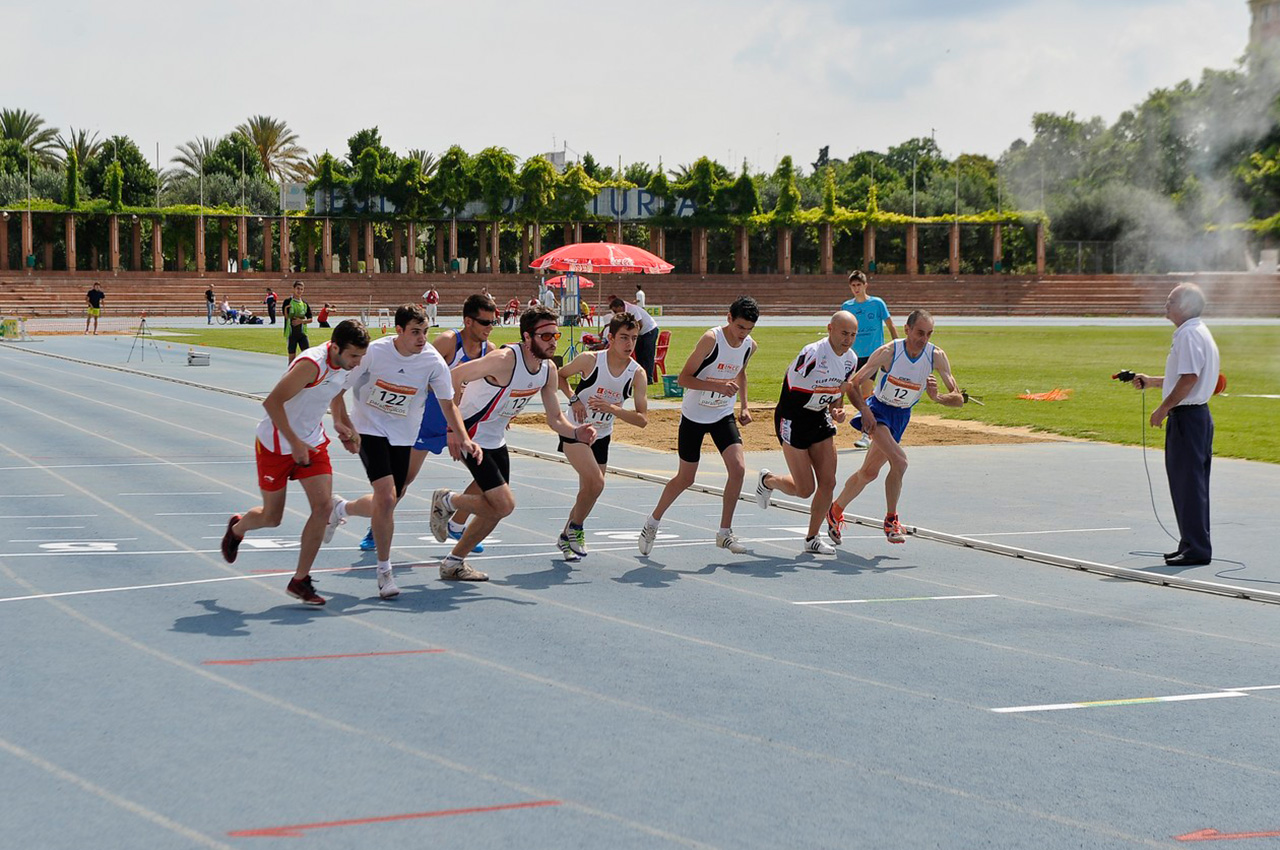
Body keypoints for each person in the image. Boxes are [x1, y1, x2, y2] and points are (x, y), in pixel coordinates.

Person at [431, 305, 597, 580]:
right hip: (471, 434)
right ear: (527, 337)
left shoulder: (548, 370)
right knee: (504, 505)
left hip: (495, 438)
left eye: (555, 335)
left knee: (494, 511)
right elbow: (454, 376)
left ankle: (453, 562)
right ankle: (447, 500)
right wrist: (453, 428)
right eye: (545, 336)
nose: (553, 341)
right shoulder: (505, 359)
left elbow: (555, 418)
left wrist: (576, 433)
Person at [329, 304, 482, 598]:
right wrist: (342, 422)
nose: (422, 338)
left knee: (388, 499)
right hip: (369, 429)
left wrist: (463, 438)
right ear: (398, 331)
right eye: (415, 332)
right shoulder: (374, 352)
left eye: (425, 332)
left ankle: (340, 509)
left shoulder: (433, 362)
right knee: (387, 497)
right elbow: (339, 388)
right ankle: (385, 572)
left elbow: (448, 404)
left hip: (403, 434)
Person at [220, 320, 371, 606]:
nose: (357, 362)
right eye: (353, 356)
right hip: (276, 444)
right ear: (335, 347)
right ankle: (238, 528)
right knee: (272, 517)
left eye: (361, 357)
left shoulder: (345, 365)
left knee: (324, 507)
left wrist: (343, 424)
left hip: (312, 442)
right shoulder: (310, 364)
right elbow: (272, 403)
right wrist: (294, 442)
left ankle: (300, 579)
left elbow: (336, 392)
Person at [352, 292, 499, 553]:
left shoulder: (491, 351)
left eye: (493, 323)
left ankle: (456, 524)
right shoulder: (447, 343)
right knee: (401, 483)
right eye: (485, 322)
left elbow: (494, 386)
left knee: (489, 474)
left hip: (463, 422)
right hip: (429, 422)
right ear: (468, 321)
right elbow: (422, 376)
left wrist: (498, 413)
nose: (490, 328)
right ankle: (376, 527)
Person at [826, 310, 966, 547]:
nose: (924, 339)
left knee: (868, 473)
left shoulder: (936, 356)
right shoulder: (889, 352)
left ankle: (834, 510)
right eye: (920, 333)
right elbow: (854, 383)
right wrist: (863, 411)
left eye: (929, 334)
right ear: (907, 330)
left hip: (901, 416)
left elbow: (959, 398)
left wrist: (938, 397)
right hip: (879, 411)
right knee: (900, 462)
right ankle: (891, 521)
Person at [638, 296, 759, 557]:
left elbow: (741, 372)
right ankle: (652, 522)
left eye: (749, 330)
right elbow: (683, 378)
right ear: (729, 318)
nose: (742, 335)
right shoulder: (711, 340)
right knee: (686, 478)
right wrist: (717, 386)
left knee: (738, 469)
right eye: (740, 328)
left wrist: (744, 406)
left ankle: (724, 533)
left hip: (722, 413)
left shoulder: (750, 346)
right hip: (694, 415)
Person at [755, 311, 873, 555]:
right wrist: (829, 394)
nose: (848, 339)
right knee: (805, 489)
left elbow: (838, 391)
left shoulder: (850, 359)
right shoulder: (812, 354)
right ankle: (768, 480)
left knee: (829, 482)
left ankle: (811, 538)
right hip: (793, 417)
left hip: (819, 417)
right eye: (843, 333)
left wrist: (836, 409)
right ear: (830, 328)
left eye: (853, 335)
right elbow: (795, 389)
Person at [1132, 283, 1220, 567]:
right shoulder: (1194, 331)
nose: (1165, 305)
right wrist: (1152, 381)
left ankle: (1196, 547)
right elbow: (1183, 376)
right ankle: (1190, 542)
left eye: (1171, 300)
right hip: (1195, 416)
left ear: (1185, 306)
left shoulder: (1189, 335)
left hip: (1189, 417)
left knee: (1188, 484)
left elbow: (1189, 379)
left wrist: (1163, 408)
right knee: (1187, 484)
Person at [555, 312, 649, 561]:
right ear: (610, 338)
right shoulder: (589, 360)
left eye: (634, 338)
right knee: (596, 483)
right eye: (624, 337)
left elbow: (642, 420)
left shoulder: (637, 374)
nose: (629, 344)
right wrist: (574, 399)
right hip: (575, 429)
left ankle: (566, 536)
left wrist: (613, 409)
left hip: (602, 435)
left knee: (589, 490)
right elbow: (559, 375)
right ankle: (576, 529)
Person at [840, 270, 898, 449]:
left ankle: (867, 433)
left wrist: (896, 346)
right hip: (852, 355)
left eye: (859, 285)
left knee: (865, 391)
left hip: (873, 356)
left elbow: (890, 325)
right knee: (843, 388)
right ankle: (833, 417)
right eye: (853, 286)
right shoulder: (846, 307)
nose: (856, 289)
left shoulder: (877, 303)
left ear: (865, 285)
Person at [607, 295, 659, 385]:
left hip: (649, 330)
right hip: (638, 333)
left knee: (647, 354)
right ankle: (640, 376)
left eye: (616, 310)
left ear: (620, 307)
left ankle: (649, 378)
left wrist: (631, 336)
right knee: (639, 354)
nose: (615, 313)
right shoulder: (622, 313)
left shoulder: (632, 309)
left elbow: (639, 324)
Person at [281, 281, 312, 363]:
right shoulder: (287, 301)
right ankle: (290, 374)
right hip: (291, 334)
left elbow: (310, 319)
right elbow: (286, 317)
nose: (300, 291)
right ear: (293, 289)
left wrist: (301, 321)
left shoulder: (305, 303)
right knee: (292, 359)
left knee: (307, 356)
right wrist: (286, 309)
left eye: (302, 289)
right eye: (298, 289)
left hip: (302, 334)